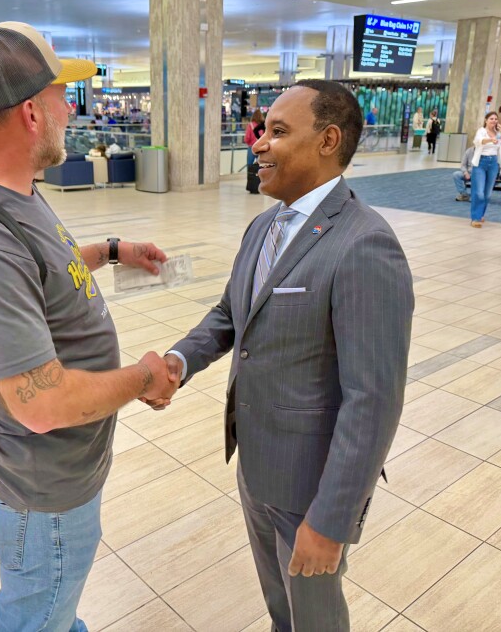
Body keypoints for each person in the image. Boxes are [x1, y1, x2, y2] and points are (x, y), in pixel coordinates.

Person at [0, 22, 177, 631]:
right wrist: (142, 377)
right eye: (63, 96)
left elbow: (37, 268)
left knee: (55, 609)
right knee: (38, 616)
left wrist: (111, 251)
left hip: (62, 472)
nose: (71, 110)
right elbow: (42, 404)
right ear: (32, 112)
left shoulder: (7, 191)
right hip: (42, 487)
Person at [152, 80, 413, 632]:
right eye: (262, 130)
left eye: (277, 131)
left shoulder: (364, 243)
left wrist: (333, 519)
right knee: (280, 604)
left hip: (311, 485)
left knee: (314, 615)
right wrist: (179, 360)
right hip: (256, 461)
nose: (258, 143)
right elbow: (230, 314)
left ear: (328, 140)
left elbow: (373, 399)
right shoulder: (264, 225)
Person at [469, 112, 501, 228]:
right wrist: (491, 140)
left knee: (487, 194)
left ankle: (480, 214)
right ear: (486, 120)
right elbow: (478, 141)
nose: (494, 121)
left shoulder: (498, 133)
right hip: (481, 162)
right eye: (491, 119)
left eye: (495, 119)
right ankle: (475, 218)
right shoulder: (481, 131)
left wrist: (500, 134)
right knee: (479, 192)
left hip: (493, 163)